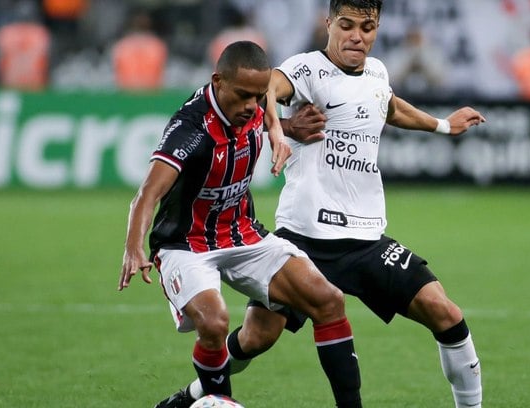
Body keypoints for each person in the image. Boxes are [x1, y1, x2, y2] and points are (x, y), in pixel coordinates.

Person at [158, 1, 485, 407]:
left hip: (365, 240)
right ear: (329, 24)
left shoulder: (378, 71)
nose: (356, 36)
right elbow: (270, 90)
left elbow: (388, 105)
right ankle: (194, 394)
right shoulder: (306, 69)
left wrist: (443, 125)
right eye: (346, 25)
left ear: (377, 28)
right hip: (303, 238)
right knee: (257, 337)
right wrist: (278, 128)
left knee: (446, 313)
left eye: (367, 27)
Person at [118, 41, 362, 408]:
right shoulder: (191, 128)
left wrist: (290, 127)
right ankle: (219, 402)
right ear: (218, 81)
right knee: (215, 322)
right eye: (244, 95)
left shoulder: (250, 105)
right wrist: (134, 247)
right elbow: (147, 194)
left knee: (326, 301)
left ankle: (191, 398)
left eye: (259, 96)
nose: (252, 105)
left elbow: (265, 118)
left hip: (244, 233)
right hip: (187, 245)